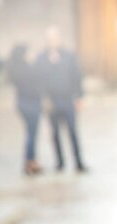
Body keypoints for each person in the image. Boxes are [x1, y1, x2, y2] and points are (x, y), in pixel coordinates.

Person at [37, 26, 87, 172]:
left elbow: (77, 77)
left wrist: (79, 97)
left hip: (68, 100)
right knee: (55, 133)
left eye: (55, 38)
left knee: (72, 131)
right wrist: (43, 98)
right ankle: (60, 162)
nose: (52, 41)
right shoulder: (42, 59)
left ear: (59, 40)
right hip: (51, 102)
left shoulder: (69, 57)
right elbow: (38, 80)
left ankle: (78, 162)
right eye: (49, 39)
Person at [6, 44, 43, 175]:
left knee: (30, 133)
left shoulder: (15, 69)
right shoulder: (27, 68)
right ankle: (30, 161)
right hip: (31, 103)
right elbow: (36, 83)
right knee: (32, 133)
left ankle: (30, 160)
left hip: (22, 103)